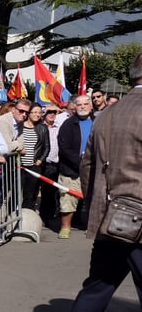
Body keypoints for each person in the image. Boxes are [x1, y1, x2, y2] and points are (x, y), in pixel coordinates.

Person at [47, 54, 142, 312]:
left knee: (98, 288)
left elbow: (88, 164)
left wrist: (98, 202)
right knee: (99, 287)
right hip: (137, 221)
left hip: (108, 216)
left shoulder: (107, 114)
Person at [56, 94, 94, 239]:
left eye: (86, 104)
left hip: (93, 168)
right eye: (79, 105)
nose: (83, 107)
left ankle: (91, 226)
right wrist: (80, 163)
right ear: (75, 107)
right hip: (72, 169)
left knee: (93, 199)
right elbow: (64, 148)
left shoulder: (98, 122)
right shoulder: (68, 124)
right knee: (68, 199)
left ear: (91, 106)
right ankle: (65, 226)